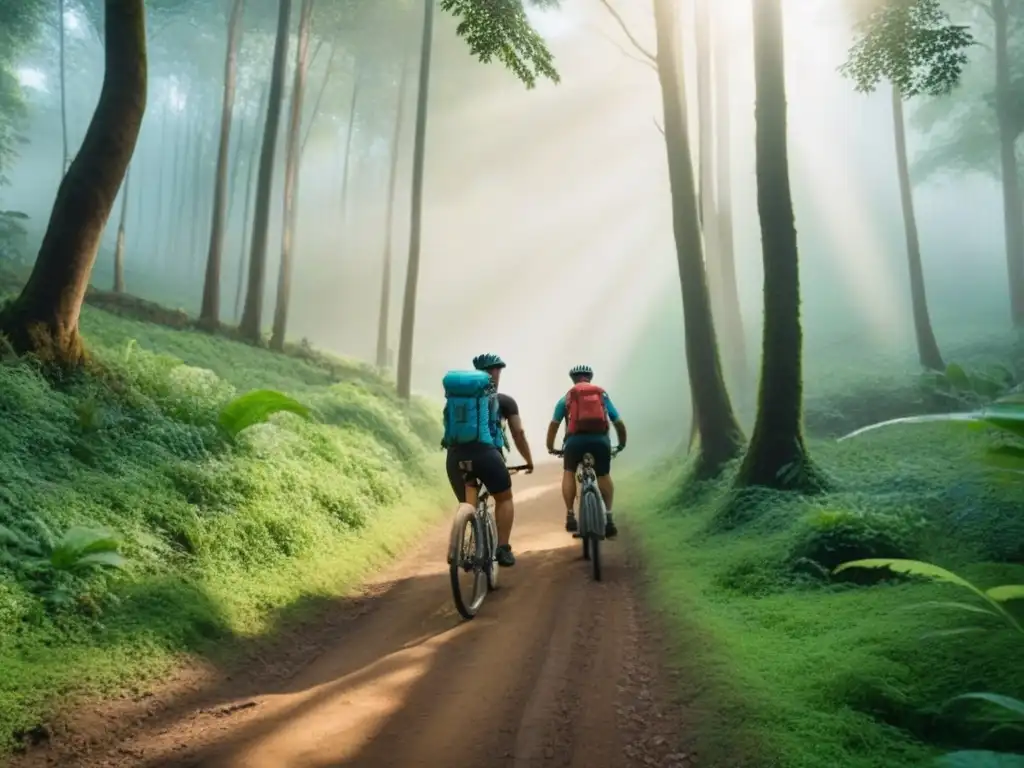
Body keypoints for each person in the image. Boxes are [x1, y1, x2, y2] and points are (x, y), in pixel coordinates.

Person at [444, 352, 535, 567]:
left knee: (468, 503)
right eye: (498, 370)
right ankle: (503, 548)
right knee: (503, 498)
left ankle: (461, 547)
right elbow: (518, 433)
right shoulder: (504, 401)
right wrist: (528, 460)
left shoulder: (457, 400)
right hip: (486, 455)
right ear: (495, 373)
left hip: (455, 457)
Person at [545, 364, 627, 538]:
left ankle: (570, 515)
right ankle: (609, 518)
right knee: (603, 474)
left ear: (573, 380)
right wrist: (621, 444)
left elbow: (554, 425)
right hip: (600, 441)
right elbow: (618, 422)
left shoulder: (566, 398)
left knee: (569, 472)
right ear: (590, 378)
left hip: (575, 441)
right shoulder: (601, 395)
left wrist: (550, 447)